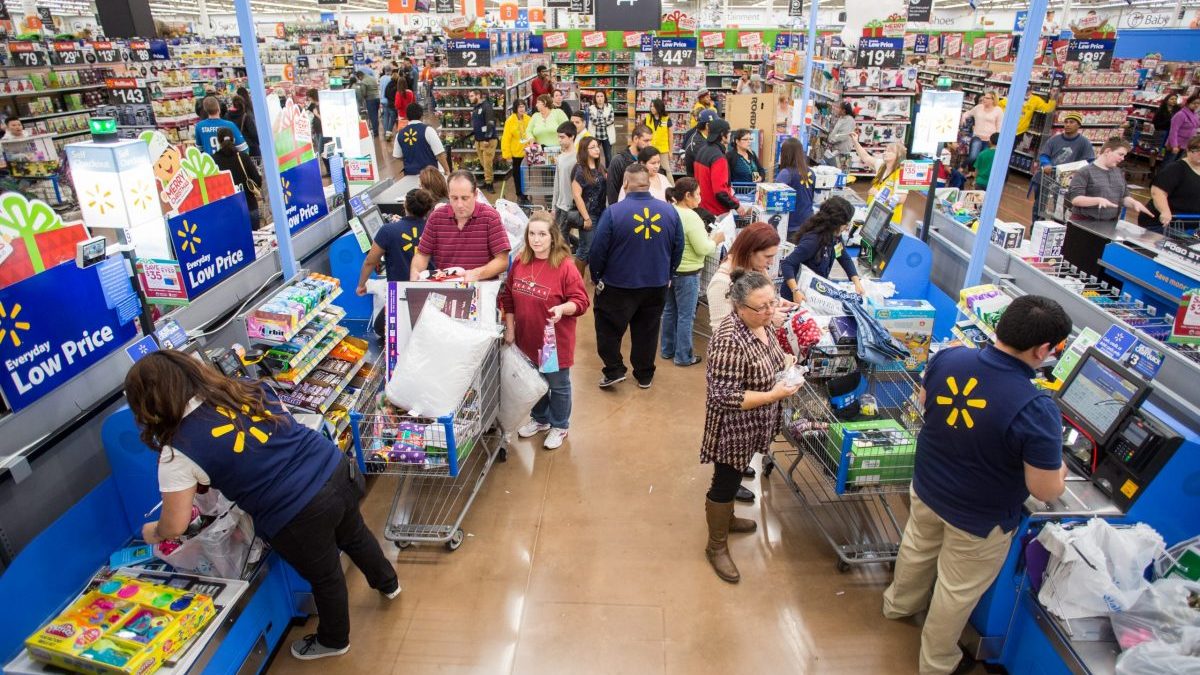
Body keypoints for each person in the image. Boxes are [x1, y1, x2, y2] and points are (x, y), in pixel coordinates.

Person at [125, 351, 400, 662]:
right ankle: (389, 583)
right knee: (354, 534)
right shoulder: (243, 387)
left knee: (325, 577)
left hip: (298, 511)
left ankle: (335, 639)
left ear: (148, 404)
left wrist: (153, 531)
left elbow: (175, 525)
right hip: (335, 469)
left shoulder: (178, 450)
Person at [883, 295, 1072, 675]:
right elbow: (1045, 490)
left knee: (917, 549)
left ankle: (897, 606)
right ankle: (937, 663)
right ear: (1043, 350)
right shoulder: (1036, 408)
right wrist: (1060, 466)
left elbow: (926, 403)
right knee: (956, 590)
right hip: (978, 517)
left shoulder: (949, 357)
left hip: (928, 485)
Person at [700, 270, 800, 583]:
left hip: (754, 422)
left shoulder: (760, 323)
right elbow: (725, 395)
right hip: (733, 428)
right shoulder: (730, 339)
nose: (771, 311)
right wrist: (774, 394)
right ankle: (716, 546)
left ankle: (727, 519)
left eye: (773, 302)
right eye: (763, 307)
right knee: (725, 480)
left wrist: (783, 362)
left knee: (733, 475)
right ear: (739, 308)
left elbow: (764, 357)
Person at [588, 163, 684, 389]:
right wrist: (668, 273)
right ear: (648, 183)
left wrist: (597, 276)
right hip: (656, 284)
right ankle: (644, 374)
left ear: (625, 184)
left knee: (608, 329)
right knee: (648, 331)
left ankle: (613, 370)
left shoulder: (613, 213)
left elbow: (598, 250)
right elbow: (678, 247)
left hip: (618, 285)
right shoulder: (670, 211)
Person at [501, 212, 590, 451]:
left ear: (553, 237)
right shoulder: (520, 261)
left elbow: (581, 301)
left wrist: (563, 308)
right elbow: (508, 296)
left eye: (542, 234)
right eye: (532, 233)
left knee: (558, 385)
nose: (536, 239)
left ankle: (559, 425)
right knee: (533, 382)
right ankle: (540, 419)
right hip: (526, 339)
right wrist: (510, 329)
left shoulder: (565, 267)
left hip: (552, 343)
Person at [661, 178, 725, 367]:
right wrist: (716, 239)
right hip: (688, 272)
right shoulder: (691, 217)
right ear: (687, 195)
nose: (700, 198)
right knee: (686, 316)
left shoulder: (670, 211)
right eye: (697, 194)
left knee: (670, 310)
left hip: (671, 270)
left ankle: (667, 349)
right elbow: (702, 248)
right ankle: (683, 356)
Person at [356, 188, 436, 335]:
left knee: (380, 328)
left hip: (400, 298)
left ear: (405, 205)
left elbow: (370, 261)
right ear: (428, 208)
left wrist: (361, 285)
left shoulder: (388, 231)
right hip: (431, 296)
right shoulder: (434, 229)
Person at [411, 170, 510, 281]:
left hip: (482, 287)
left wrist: (477, 274)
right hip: (447, 288)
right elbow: (422, 255)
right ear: (448, 195)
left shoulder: (490, 217)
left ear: (475, 194)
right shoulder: (436, 217)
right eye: (454, 198)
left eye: (464, 198)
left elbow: (502, 261)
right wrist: (415, 273)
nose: (459, 205)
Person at [780, 196, 865, 302]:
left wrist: (856, 282)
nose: (847, 227)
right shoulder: (813, 241)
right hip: (796, 297)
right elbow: (787, 264)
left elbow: (843, 257)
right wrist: (795, 291)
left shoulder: (835, 236)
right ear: (836, 223)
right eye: (846, 224)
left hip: (813, 293)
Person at [1068, 137, 1153, 225]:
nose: (1123, 158)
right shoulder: (1084, 172)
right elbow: (1076, 199)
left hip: (1110, 225)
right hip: (1083, 224)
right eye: (1120, 154)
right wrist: (1098, 200)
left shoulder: (1118, 172)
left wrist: (1134, 203)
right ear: (1107, 151)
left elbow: (1123, 197)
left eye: (1124, 155)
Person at [1035, 112, 1094, 221]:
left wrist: (1078, 171)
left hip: (1067, 181)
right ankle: (1036, 226)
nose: (1067, 125)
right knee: (1039, 205)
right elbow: (1044, 155)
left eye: (1071, 122)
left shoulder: (1084, 143)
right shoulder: (1054, 139)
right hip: (1049, 176)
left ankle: (1057, 226)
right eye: (1066, 122)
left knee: (1061, 208)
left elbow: (1089, 161)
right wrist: (1046, 164)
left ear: (1078, 125)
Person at [1140, 134, 1200, 232]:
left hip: (1192, 225)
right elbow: (1158, 192)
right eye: (1197, 151)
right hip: (1165, 224)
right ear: (1188, 151)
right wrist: (1165, 211)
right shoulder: (1175, 168)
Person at [694, 119, 751, 218]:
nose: (730, 135)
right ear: (722, 134)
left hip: (702, 207)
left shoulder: (702, 150)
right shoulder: (719, 158)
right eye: (728, 132)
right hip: (717, 212)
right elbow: (720, 191)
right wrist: (736, 206)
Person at [211, 127, 263, 230]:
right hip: (249, 206)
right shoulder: (243, 157)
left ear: (218, 141)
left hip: (227, 211)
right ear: (233, 139)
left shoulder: (213, 160)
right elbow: (257, 180)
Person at [572, 136, 608, 276]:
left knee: (598, 246)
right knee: (585, 248)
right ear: (584, 150)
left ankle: (595, 276)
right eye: (592, 147)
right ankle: (575, 281)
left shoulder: (600, 167)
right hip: (589, 214)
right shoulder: (580, 170)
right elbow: (577, 196)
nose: (597, 149)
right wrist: (586, 218)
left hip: (601, 212)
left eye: (597, 146)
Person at [853, 137, 907, 225]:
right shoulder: (882, 166)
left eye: (889, 151)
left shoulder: (901, 173)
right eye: (885, 150)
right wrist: (855, 141)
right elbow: (865, 157)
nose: (885, 153)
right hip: (874, 215)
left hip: (889, 221)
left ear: (899, 155)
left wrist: (878, 194)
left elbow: (901, 199)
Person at [775, 137, 816, 235]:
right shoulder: (811, 172)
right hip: (808, 221)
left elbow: (776, 199)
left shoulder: (785, 173)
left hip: (791, 224)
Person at [397, 103, 449, 177]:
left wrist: (412, 160)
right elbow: (440, 154)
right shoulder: (428, 130)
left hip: (409, 175)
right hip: (429, 176)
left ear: (407, 116)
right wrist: (447, 170)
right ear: (421, 116)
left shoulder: (400, 134)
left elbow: (397, 156)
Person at [606, 124, 653, 205]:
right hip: (625, 209)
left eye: (650, 140)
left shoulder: (651, 158)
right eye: (646, 140)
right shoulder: (618, 160)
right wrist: (615, 212)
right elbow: (612, 190)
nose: (650, 144)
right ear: (635, 139)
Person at [960, 91, 1003, 166]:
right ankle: (961, 168)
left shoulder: (998, 111)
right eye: (984, 97)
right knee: (973, 156)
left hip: (989, 140)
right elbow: (968, 113)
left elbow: (999, 127)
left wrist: (996, 141)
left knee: (983, 160)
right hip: (977, 137)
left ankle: (976, 175)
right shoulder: (978, 107)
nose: (984, 99)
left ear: (993, 100)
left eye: (987, 98)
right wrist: (963, 117)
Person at [552, 121, 579, 240]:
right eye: (558, 137)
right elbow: (557, 183)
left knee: (560, 240)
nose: (559, 140)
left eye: (562, 137)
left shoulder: (578, 159)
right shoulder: (561, 157)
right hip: (560, 205)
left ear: (572, 136)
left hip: (570, 206)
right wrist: (554, 206)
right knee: (560, 237)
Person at [502, 100, 532, 202]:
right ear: (515, 108)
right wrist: (507, 155)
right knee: (518, 176)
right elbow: (506, 139)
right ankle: (520, 195)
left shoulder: (529, 119)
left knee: (527, 176)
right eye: (519, 107)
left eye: (523, 106)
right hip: (516, 155)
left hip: (528, 153)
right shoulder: (510, 121)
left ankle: (526, 195)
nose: (522, 109)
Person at [469, 90, 498, 191]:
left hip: (487, 140)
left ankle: (489, 184)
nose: (470, 98)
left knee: (487, 163)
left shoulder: (487, 106)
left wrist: (487, 138)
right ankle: (487, 181)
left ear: (478, 95)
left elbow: (490, 122)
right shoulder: (476, 107)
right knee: (483, 162)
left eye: (472, 96)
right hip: (478, 140)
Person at [683, 109, 718, 177]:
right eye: (715, 123)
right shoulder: (698, 144)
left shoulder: (707, 138)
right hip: (698, 184)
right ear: (707, 126)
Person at [1166, 94, 1200, 163]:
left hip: (1185, 144)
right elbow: (1173, 131)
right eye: (1194, 103)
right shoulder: (1180, 114)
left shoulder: (1195, 115)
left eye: (1198, 103)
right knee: (1168, 163)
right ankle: (1163, 174)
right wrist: (1174, 145)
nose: (1196, 105)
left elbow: (1196, 126)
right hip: (1176, 144)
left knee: (1176, 165)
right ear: (1188, 103)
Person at [826, 102, 857, 173]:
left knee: (841, 173)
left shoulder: (849, 120)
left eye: (839, 108)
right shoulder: (842, 118)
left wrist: (831, 140)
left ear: (844, 110)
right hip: (837, 151)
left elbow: (843, 135)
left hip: (842, 152)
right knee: (836, 172)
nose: (837, 109)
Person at [587, 91, 615, 163]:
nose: (600, 98)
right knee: (595, 156)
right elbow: (594, 121)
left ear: (605, 97)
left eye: (601, 96)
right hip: (595, 136)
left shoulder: (609, 107)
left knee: (608, 156)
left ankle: (609, 172)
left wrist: (599, 121)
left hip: (607, 136)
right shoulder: (591, 108)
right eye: (598, 96)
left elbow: (611, 120)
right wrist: (605, 120)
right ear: (595, 98)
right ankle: (596, 171)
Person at [644, 98, 672, 169]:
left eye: (653, 106)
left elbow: (670, 136)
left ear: (659, 107)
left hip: (663, 150)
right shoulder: (647, 118)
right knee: (650, 169)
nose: (651, 108)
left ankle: (669, 181)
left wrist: (670, 151)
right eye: (651, 106)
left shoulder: (666, 119)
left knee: (666, 169)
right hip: (650, 149)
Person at [358, 69, 380, 138]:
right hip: (377, 98)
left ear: (360, 76)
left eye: (359, 78)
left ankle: (375, 132)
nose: (359, 80)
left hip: (370, 100)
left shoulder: (364, 81)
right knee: (376, 115)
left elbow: (363, 93)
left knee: (372, 116)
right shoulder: (372, 78)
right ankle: (376, 129)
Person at [380, 67, 397, 141]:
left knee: (385, 116)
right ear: (390, 71)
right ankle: (388, 132)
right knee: (391, 116)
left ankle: (385, 131)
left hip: (382, 99)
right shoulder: (390, 78)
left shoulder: (381, 78)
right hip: (388, 100)